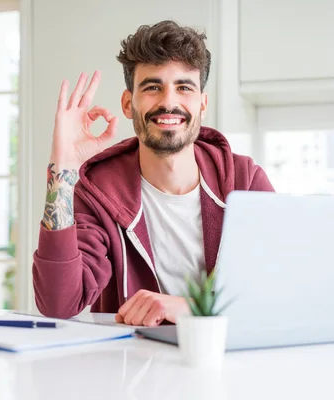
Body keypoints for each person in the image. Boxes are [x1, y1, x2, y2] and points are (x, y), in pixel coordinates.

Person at [32, 20, 274, 327]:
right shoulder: (98, 192)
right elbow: (58, 303)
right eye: (152, 87)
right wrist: (63, 168)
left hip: (226, 363)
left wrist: (190, 310)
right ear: (127, 103)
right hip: (131, 368)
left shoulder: (245, 182)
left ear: (202, 103)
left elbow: (276, 293)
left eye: (184, 87)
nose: (168, 102)